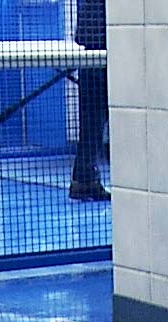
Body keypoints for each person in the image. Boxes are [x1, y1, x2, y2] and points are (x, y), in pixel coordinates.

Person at [68, 0, 109, 202]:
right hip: (98, 42)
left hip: (96, 40)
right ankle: (84, 179)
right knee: (94, 117)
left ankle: (84, 178)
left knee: (94, 119)